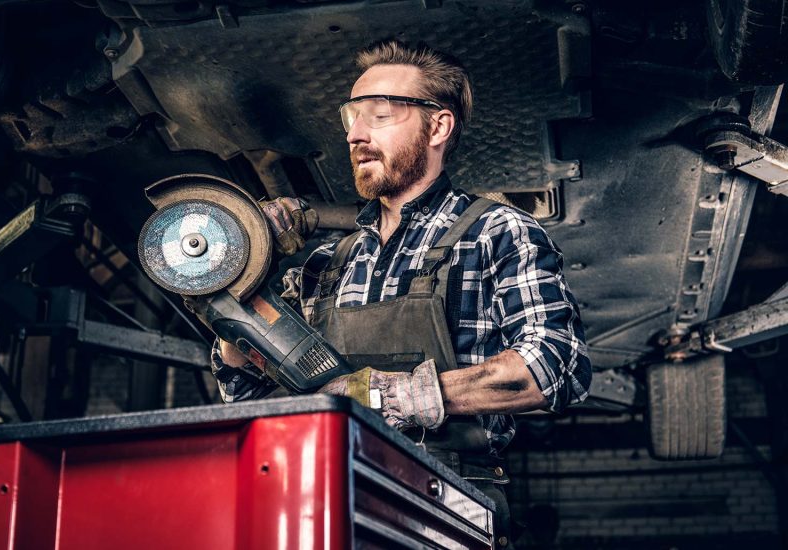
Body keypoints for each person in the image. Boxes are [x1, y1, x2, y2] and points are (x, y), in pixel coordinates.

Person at [210, 39, 591, 548]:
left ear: (438, 126)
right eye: (351, 116)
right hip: (320, 499)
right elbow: (249, 394)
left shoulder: (495, 231)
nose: (355, 133)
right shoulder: (327, 262)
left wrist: (387, 397)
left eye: (380, 114)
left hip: (448, 500)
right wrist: (242, 283)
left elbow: (555, 368)